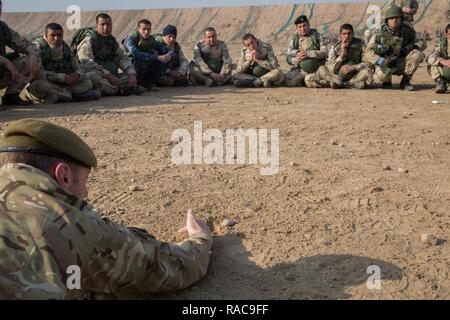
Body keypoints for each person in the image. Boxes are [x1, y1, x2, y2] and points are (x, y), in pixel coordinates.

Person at [0, 118, 213, 299]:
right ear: (63, 175)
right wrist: (200, 238)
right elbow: (172, 269)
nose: (86, 193)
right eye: (84, 180)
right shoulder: (73, 224)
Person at [28, 23, 100, 104]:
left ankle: (59, 96)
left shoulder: (65, 48)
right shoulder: (38, 48)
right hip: (47, 82)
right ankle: (71, 96)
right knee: (38, 85)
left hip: (64, 84)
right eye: (53, 35)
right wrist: (62, 78)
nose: (56, 38)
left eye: (59, 35)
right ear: (46, 35)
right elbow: (39, 74)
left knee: (87, 83)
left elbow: (78, 67)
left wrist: (76, 75)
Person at [73, 13, 144, 96]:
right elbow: (87, 64)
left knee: (130, 76)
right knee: (92, 77)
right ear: (97, 26)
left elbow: (122, 58)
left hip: (111, 76)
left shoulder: (111, 41)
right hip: (96, 73)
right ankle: (119, 91)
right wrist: (108, 75)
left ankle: (108, 88)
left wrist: (132, 74)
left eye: (108, 24)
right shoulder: (88, 41)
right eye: (102, 24)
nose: (106, 28)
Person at [364, 6, 426, 91]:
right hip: (386, 63)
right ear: (387, 20)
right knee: (382, 76)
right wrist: (381, 61)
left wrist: (414, 46)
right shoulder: (379, 34)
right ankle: (387, 82)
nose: (394, 20)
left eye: (397, 18)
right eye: (392, 18)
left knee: (417, 54)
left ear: (401, 19)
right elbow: (368, 52)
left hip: (402, 62)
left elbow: (422, 42)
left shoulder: (408, 31)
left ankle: (405, 81)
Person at [0, 0, 40, 107]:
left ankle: (11, 96)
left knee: (30, 59)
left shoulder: (3, 29)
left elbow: (27, 45)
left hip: (2, 73)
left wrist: (32, 56)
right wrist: (5, 61)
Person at [311, 24, 373, 89]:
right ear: (340, 35)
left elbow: (369, 63)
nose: (347, 36)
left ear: (353, 34)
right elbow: (331, 67)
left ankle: (347, 84)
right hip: (338, 77)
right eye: (344, 34)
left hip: (355, 75)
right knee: (322, 69)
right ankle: (347, 84)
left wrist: (354, 67)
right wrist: (342, 55)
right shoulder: (335, 47)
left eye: (349, 33)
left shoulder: (360, 44)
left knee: (367, 72)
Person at [123, 19, 175, 89]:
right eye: (144, 29)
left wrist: (169, 55)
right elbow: (136, 54)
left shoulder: (151, 40)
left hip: (145, 64)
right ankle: (138, 84)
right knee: (141, 62)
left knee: (162, 61)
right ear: (138, 29)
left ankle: (150, 84)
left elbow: (164, 49)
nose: (146, 32)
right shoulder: (130, 39)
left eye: (149, 29)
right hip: (131, 66)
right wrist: (156, 57)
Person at [283, 15, 328, 88]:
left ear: (309, 25)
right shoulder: (295, 40)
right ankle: (303, 80)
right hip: (301, 71)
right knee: (287, 81)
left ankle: (316, 80)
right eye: (300, 27)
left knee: (309, 81)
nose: (303, 29)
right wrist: (297, 57)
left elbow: (325, 52)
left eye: (304, 26)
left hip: (316, 69)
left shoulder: (317, 36)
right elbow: (288, 57)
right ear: (297, 28)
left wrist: (308, 54)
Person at [426, 23, 450, 93]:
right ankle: (440, 83)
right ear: (446, 34)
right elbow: (430, 58)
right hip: (445, 68)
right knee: (432, 64)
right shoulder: (441, 44)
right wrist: (442, 61)